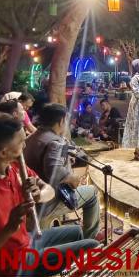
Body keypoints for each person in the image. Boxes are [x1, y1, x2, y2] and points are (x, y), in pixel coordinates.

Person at [0, 114, 98, 277]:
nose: (25, 146)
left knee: (76, 232)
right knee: (92, 247)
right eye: (21, 142)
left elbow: (50, 191)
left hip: (26, 242)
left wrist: (39, 194)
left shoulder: (12, 168)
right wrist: (8, 230)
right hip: (8, 265)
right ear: (3, 152)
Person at [24, 103, 102, 240]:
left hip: (32, 199)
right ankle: (90, 238)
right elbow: (54, 172)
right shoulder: (55, 142)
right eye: (66, 120)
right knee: (92, 193)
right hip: (48, 202)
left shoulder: (32, 137)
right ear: (61, 121)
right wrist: (71, 178)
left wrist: (67, 161)